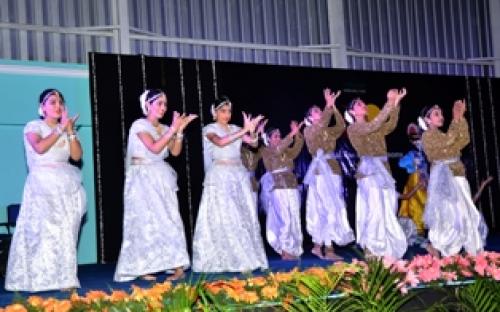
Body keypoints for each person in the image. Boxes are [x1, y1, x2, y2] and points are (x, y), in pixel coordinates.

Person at [5, 89, 86, 291]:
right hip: (43, 184)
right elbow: (39, 147)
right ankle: (39, 278)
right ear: (42, 108)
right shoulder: (34, 126)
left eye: (60, 102)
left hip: (66, 184)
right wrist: (59, 130)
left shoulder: (66, 130)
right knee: (44, 232)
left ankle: (65, 278)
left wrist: (70, 131)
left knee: (66, 232)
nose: (58, 105)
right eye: (52, 102)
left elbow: (76, 157)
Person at [114, 89, 196, 282]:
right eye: (159, 103)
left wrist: (179, 131)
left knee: (170, 219)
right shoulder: (139, 125)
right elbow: (154, 147)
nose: (163, 108)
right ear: (147, 105)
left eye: (165, 104)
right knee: (145, 221)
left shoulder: (165, 127)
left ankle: (177, 266)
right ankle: (144, 266)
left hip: (161, 178)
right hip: (142, 177)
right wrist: (172, 130)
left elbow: (174, 152)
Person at [192, 97, 268, 272]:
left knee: (241, 216)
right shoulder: (209, 129)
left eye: (229, 111)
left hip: (238, 176)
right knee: (224, 216)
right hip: (220, 175)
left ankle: (243, 257)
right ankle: (226, 258)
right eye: (222, 111)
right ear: (215, 112)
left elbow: (254, 143)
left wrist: (253, 131)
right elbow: (220, 142)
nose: (226, 114)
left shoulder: (235, 129)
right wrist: (244, 130)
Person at [346, 88, 408, 259]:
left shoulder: (375, 127)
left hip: (384, 171)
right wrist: (389, 103)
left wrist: (396, 104)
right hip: (368, 172)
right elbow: (372, 126)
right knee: (373, 209)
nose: (363, 105)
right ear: (352, 112)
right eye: (359, 104)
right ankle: (372, 248)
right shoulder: (353, 129)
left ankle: (387, 247)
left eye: (363, 103)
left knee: (388, 208)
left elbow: (390, 125)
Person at [420, 99, 485, 256]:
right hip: (444, 180)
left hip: (458, 176)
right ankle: (438, 247)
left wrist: (460, 118)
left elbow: (463, 140)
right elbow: (448, 140)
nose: (441, 116)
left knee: (467, 213)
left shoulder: (443, 135)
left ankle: (472, 251)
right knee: (448, 215)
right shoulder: (428, 136)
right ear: (427, 120)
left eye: (442, 113)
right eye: (436, 114)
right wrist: (455, 119)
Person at [303, 88, 355, 260]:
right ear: (309, 118)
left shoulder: (327, 130)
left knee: (333, 206)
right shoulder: (309, 131)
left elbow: (341, 126)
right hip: (320, 173)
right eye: (316, 111)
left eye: (320, 110)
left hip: (333, 171)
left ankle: (319, 246)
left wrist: (333, 108)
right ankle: (329, 248)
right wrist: (327, 106)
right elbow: (319, 127)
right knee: (325, 208)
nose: (320, 112)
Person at [260, 121, 304, 260]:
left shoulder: (286, 151)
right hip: (279, 188)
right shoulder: (266, 151)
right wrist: (291, 134)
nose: (278, 138)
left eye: (279, 136)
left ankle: (294, 248)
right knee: (284, 219)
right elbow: (277, 150)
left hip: (292, 186)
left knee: (294, 217)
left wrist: (297, 134)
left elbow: (297, 148)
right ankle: (284, 249)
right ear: (268, 139)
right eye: (275, 136)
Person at [398, 123, 429, 235]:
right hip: (415, 179)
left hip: (425, 179)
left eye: (419, 138)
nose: (417, 142)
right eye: (414, 140)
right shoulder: (412, 154)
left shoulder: (425, 152)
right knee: (416, 202)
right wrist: (412, 166)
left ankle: (424, 229)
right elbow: (400, 163)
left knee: (426, 202)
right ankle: (418, 229)